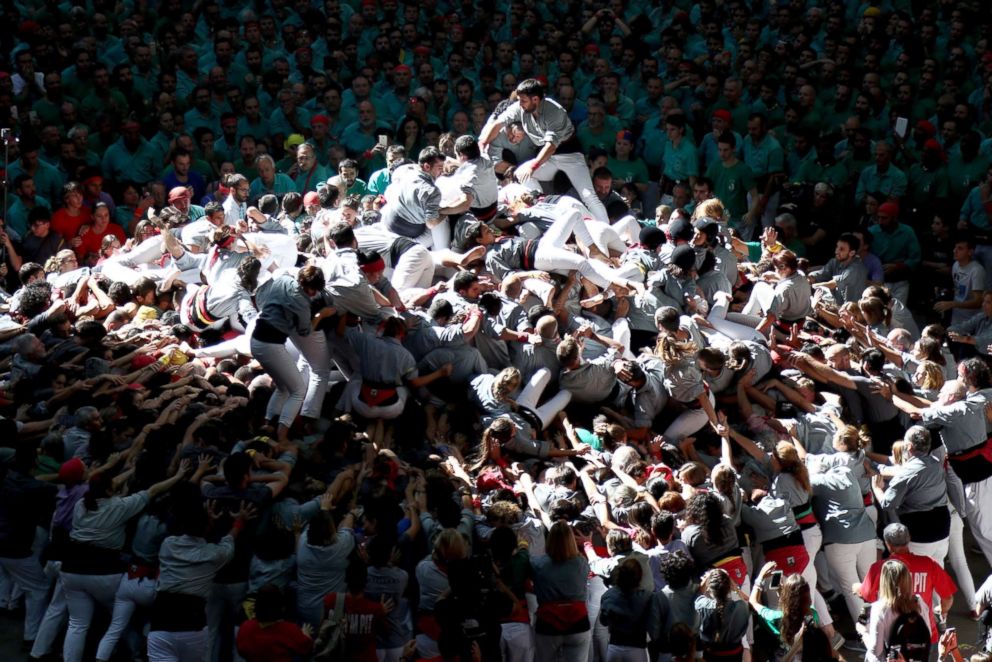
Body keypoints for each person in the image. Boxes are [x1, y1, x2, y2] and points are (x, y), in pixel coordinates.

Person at [480, 78, 609, 223]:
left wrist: (533, 165)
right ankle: (544, 210)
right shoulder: (520, 107)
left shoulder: (555, 111)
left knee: (588, 195)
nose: (520, 104)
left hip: (570, 155)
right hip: (548, 157)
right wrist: (484, 141)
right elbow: (498, 123)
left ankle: (608, 230)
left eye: (523, 100)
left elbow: (551, 146)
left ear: (535, 99)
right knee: (521, 175)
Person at [858, 559, 931, 662]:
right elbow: (928, 634)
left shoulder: (879, 608)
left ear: (884, 582)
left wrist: (863, 632)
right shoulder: (918, 602)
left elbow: (876, 651)